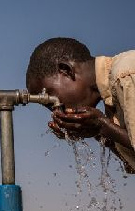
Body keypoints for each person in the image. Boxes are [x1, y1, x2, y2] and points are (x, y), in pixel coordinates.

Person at [25, 38, 135, 173]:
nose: (56, 110)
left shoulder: (125, 74)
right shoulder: (112, 99)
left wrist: (103, 126)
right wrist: (96, 131)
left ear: (65, 70)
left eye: (51, 99)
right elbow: (131, 166)